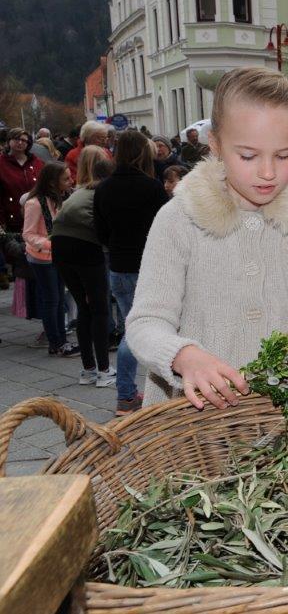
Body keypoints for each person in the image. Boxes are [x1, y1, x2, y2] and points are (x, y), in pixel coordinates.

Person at [126, 67, 288, 410]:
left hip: (283, 407)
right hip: (195, 417)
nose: (268, 172)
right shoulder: (179, 219)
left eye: (284, 155)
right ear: (215, 144)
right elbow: (146, 322)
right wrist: (183, 355)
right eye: (248, 155)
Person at [94, 131, 168, 415]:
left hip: (118, 265)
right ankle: (128, 394)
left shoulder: (104, 188)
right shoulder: (151, 187)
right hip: (145, 266)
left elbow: (100, 231)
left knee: (132, 326)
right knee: (142, 330)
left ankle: (129, 394)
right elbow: (165, 228)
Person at [51, 158, 116, 387]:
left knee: (84, 307)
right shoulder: (105, 193)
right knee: (99, 309)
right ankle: (104, 371)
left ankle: (88, 370)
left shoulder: (82, 191)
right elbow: (107, 228)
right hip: (85, 247)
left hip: (60, 246)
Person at [22, 162, 78, 356]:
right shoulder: (35, 203)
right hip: (42, 258)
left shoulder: (62, 198)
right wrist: (51, 244)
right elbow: (28, 234)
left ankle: (61, 340)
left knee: (59, 298)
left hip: (59, 256)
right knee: (51, 299)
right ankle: (55, 342)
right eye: (66, 178)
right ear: (53, 182)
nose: (71, 181)